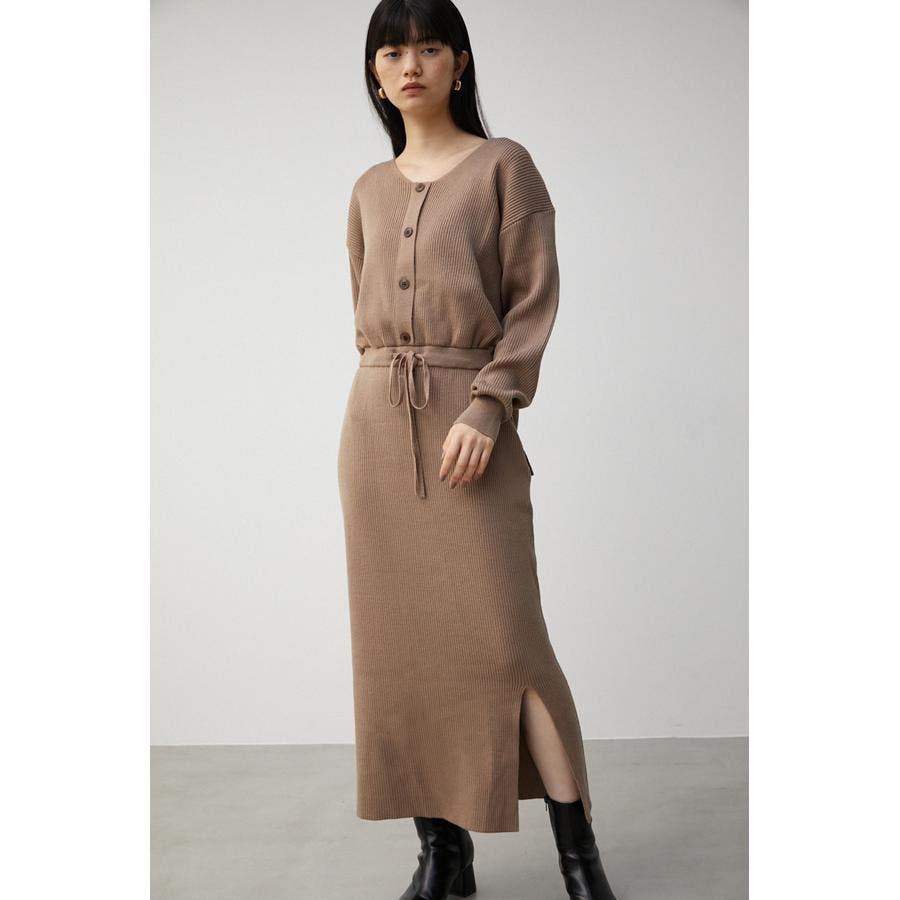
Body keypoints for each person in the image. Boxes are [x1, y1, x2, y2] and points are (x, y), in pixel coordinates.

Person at [337, 2, 619, 898]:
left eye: (428, 47)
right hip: (378, 435)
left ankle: (580, 860)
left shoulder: (505, 168)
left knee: (510, 646)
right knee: (403, 651)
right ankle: (443, 856)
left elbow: (532, 302)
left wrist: (489, 405)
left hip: (470, 424)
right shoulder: (368, 189)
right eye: (392, 51)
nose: (410, 64)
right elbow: (367, 312)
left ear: (460, 63)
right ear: (376, 72)